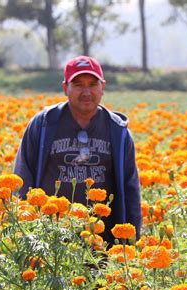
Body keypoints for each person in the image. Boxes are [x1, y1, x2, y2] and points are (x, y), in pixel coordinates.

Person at [14, 56, 141, 245]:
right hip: (51, 240)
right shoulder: (43, 124)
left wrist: (132, 241)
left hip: (102, 243)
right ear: (66, 88)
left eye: (92, 84)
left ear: (102, 87)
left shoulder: (117, 131)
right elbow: (22, 178)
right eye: (78, 84)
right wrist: (23, 231)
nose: (87, 91)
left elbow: (131, 189)